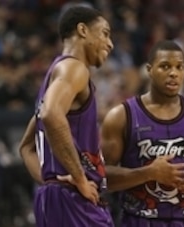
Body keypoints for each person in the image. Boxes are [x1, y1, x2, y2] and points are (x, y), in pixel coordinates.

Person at [101, 40, 184, 226]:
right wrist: (148, 173)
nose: (174, 73)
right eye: (165, 66)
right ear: (149, 69)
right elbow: (103, 178)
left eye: (180, 67)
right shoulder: (121, 116)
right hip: (141, 220)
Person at [19, 6, 114, 227]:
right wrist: (79, 179)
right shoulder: (73, 68)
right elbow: (51, 115)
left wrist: (50, 181)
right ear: (83, 30)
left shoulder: (55, 79)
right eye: (105, 33)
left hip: (59, 197)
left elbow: (26, 147)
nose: (110, 44)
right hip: (73, 199)